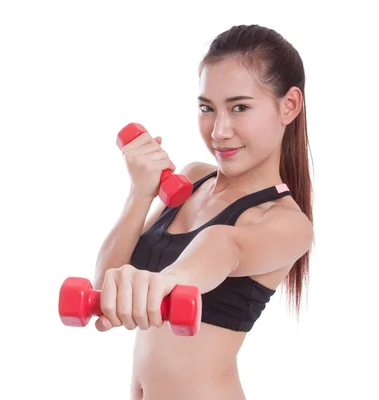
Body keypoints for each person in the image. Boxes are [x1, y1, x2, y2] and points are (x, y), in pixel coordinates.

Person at [93, 24, 314, 400]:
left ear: (288, 106)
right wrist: (140, 194)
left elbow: (223, 248)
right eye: (207, 108)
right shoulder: (192, 179)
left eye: (240, 107)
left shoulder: (287, 223)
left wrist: (168, 281)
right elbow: (104, 288)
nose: (219, 131)